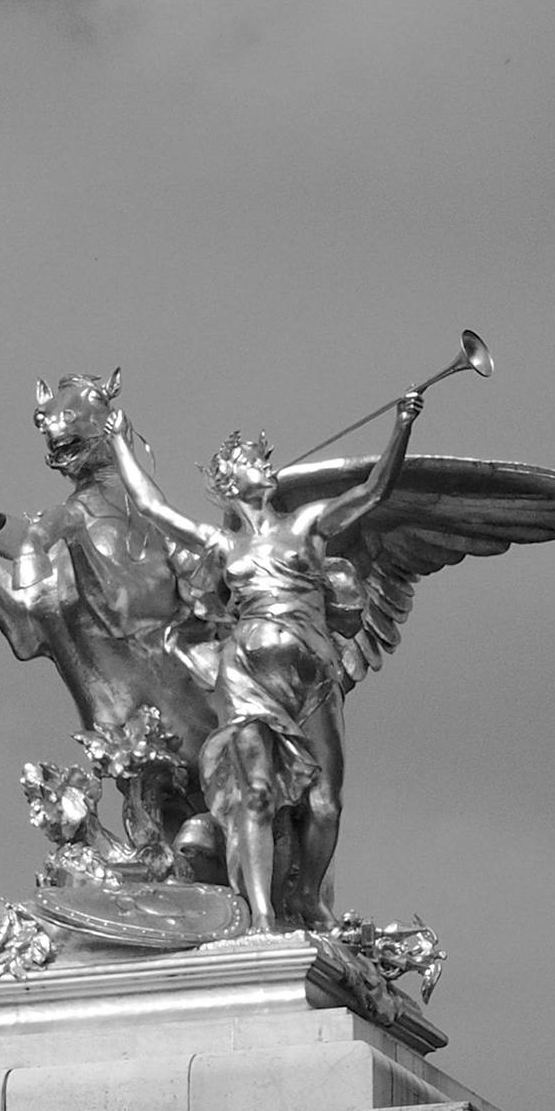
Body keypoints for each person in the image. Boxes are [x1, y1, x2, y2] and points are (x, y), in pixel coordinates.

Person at [103, 388, 426, 932]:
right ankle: (261, 916)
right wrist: (117, 442)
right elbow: (155, 508)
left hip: (315, 674)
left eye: (265, 459)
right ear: (230, 484)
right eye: (254, 462)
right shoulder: (224, 546)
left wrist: (402, 426)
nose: (267, 466)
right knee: (255, 791)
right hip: (247, 676)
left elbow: (374, 492)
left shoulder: (307, 525)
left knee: (325, 806)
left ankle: (306, 897)